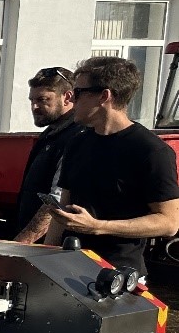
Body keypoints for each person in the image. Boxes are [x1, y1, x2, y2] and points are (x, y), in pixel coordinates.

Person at [46, 55, 179, 275]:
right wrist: (46, 258)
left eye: (77, 93)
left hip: (118, 275)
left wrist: (98, 226)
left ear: (104, 96)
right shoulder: (77, 143)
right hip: (70, 268)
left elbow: (169, 223)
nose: (71, 100)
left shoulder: (151, 151)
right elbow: (63, 211)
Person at [12, 67, 84, 244]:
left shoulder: (77, 137)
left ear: (67, 97)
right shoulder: (49, 134)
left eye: (42, 100)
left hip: (52, 248)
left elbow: (56, 201)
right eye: (32, 100)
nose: (34, 107)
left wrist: (20, 244)